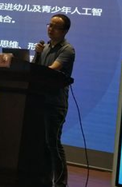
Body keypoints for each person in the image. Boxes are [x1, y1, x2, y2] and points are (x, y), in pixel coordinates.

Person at [34, 14, 75, 187]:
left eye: (55, 27)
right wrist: (37, 55)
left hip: (55, 103)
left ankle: (60, 183)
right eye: (49, 25)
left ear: (64, 31)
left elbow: (51, 71)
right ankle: (43, 180)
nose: (50, 29)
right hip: (39, 100)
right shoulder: (44, 47)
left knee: (53, 143)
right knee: (40, 143)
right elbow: (34, 71)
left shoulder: (67, 50)